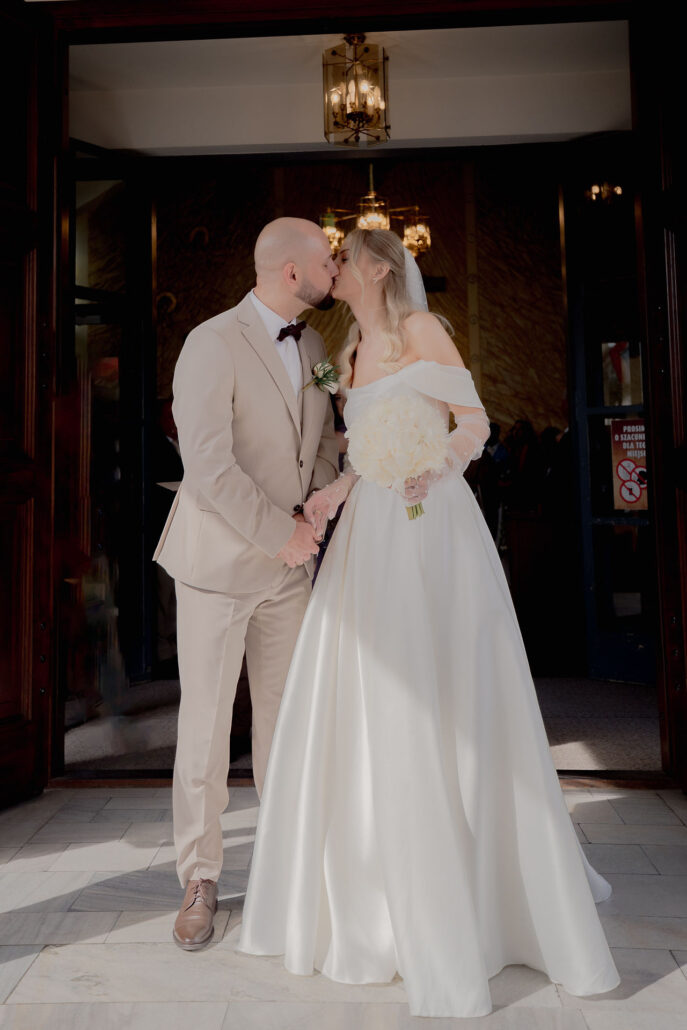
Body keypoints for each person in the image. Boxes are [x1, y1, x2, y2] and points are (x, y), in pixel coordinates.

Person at [237, 228, 620, 1018]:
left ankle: (481, 881)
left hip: (431, 521)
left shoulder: (421, 330)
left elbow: (472, 423)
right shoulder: (345, 353)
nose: (333, 271)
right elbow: (358, 453)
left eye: (343, 260)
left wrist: (435, 466)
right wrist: (334, 493)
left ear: (378, 268)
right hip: (369, 534)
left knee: (445, 685)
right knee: (371, 692)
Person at [153, 217, 339, 951]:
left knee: (285, 726)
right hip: (218, 566)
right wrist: (277, 532)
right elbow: (207, 463)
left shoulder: (316, 348)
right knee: (204, 728)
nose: (334, 269)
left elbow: (324, 441)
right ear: (291, 271)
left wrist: (315, 506)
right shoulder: (210, 342)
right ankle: (200, 879)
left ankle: (284, 870)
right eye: (326, 260)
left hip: (290, 568)